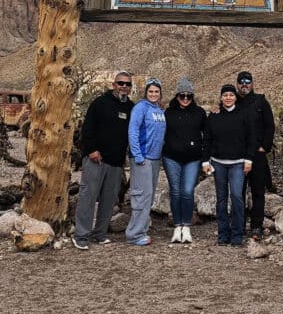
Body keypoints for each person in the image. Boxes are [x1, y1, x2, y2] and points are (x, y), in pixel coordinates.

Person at [73, 72, 135, 250]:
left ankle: (100, 233)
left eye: (127, 84)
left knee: (109, 199)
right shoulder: (100, 103)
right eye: (121, 83)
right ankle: (81, 235)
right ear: (114, 84)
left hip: (116, 162)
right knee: (88, 196)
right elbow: (88, 128)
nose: (124, 86)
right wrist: (91, 149)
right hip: (96, 159)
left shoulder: (131, 107)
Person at [202, 84, 255, 246]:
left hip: (238, 163)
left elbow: (251, 137)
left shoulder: (244, 115)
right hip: (218, 163)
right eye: (225, 95)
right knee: (221, 199)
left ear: (235, 97)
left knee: (237, 197)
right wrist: (205, 161)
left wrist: (249, 159)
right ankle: (223, 234)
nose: (228, 98)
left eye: (231, 95)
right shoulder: (214, 116)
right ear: (221, 97)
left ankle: (237, 234)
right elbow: (207, 140)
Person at [162, 76, 206, 244]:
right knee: (175, 191)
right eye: (182, 95)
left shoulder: (200, 113)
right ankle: (177, 226)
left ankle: (186, 226)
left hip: (193, 159)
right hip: (171, 157)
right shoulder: (168, 112)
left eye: (189, 95)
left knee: (187, 191)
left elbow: (207, 135)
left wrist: (205, 159)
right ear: (177, 95)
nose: (185, 98)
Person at [125, 77, 166, 246]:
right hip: (143, 158)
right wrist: (138, 155)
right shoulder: (140, 107)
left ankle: (141, 229)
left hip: (155, 159)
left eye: (157, 92)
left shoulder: (158, 109)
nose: (154, 94)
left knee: (148, 196)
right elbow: (133, 130)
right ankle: (134, 234)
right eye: (151, 91)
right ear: (146, 92)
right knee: (141, 195)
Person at [236, 70, 275, 241]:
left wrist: (264, 147)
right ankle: (239, 225)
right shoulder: (232, 101)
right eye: (241, 81)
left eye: (247, 81)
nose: (244, 84)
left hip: (257, 155)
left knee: (258, 191)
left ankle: (256, 227)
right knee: (239, 191)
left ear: (252, 84)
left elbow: (270, 126)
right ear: (237, 84)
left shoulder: (261, 102)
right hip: (238, 154)